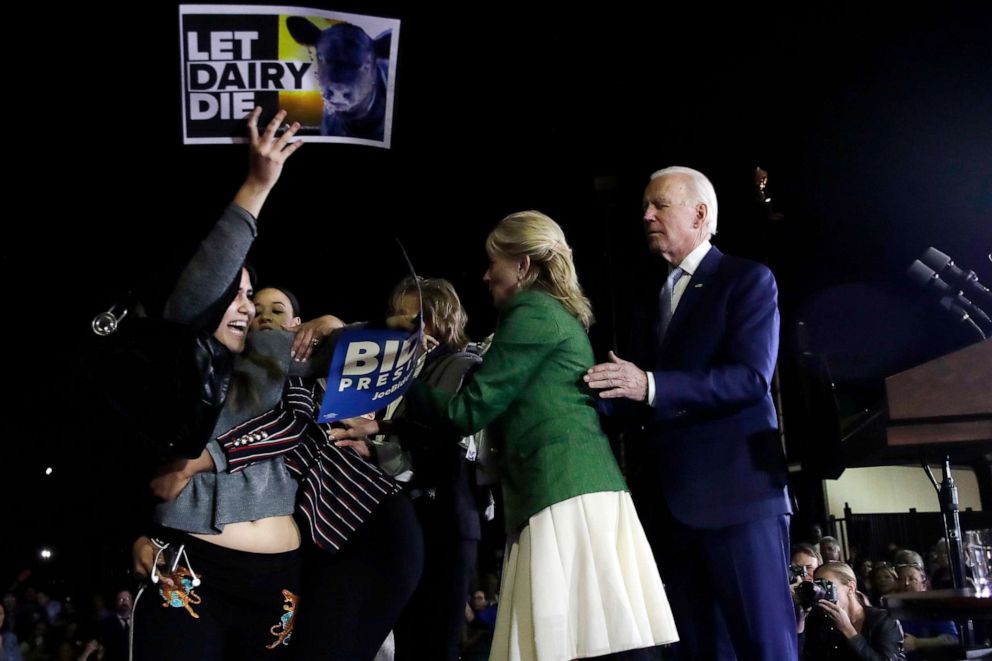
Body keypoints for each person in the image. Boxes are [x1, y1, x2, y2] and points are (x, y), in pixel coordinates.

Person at [339, 211, 679, 660]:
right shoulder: (548, 312)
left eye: (492, 262)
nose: (485, 274)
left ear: (521, 265)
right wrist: (388, 423)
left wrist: (399, 379)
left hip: (562, 489)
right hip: (564, 486)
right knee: (586, 641)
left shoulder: (531, 310)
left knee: (583, 643)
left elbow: (470, 409)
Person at [584, 166, 794, 659]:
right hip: (670, 507)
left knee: (763, 646)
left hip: (737, 500)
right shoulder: (652, 298)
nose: (647, 215)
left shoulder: (746, 280)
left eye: (660, 205)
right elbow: (634, 395)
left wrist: (651, 384)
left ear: (700, 214)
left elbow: (750, 378)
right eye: (645, 207)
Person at [129, 107, 306, 661]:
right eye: (234, 293)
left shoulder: (277, 359)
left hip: (278, 581)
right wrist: (257, 185)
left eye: (251, 297)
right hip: (189, 570)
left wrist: (328, 328)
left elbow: (302, 420)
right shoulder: (174, 364)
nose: (245, 306)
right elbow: (206, 280)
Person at [800, 562, 906, 660]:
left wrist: (848, 630)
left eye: (827, 586)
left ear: (851, 588)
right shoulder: (821, 622)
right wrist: (800, 619)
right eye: (819, 587)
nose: (823, 594)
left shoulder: (884, 621)